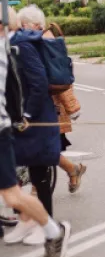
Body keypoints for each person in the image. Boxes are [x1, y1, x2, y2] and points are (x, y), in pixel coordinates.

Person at [0, 27, 71, 257]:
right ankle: (27, 221)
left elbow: (37, 83)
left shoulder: (17, 47)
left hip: (31, 122)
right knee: (16, 186)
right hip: (15, 124)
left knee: (24, 183)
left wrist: (25, 115)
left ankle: (52, 229)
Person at [16, 12, 87, 194]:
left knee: (45, 149)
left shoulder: (45, 41)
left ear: (35, 24)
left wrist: (72, 107)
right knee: (44, 149)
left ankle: (36, 191)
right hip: (39, 102)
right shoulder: (33, 41)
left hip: (49, 105)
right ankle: (71, 170)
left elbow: (59, 78)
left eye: (23, 25)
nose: (20, 29)